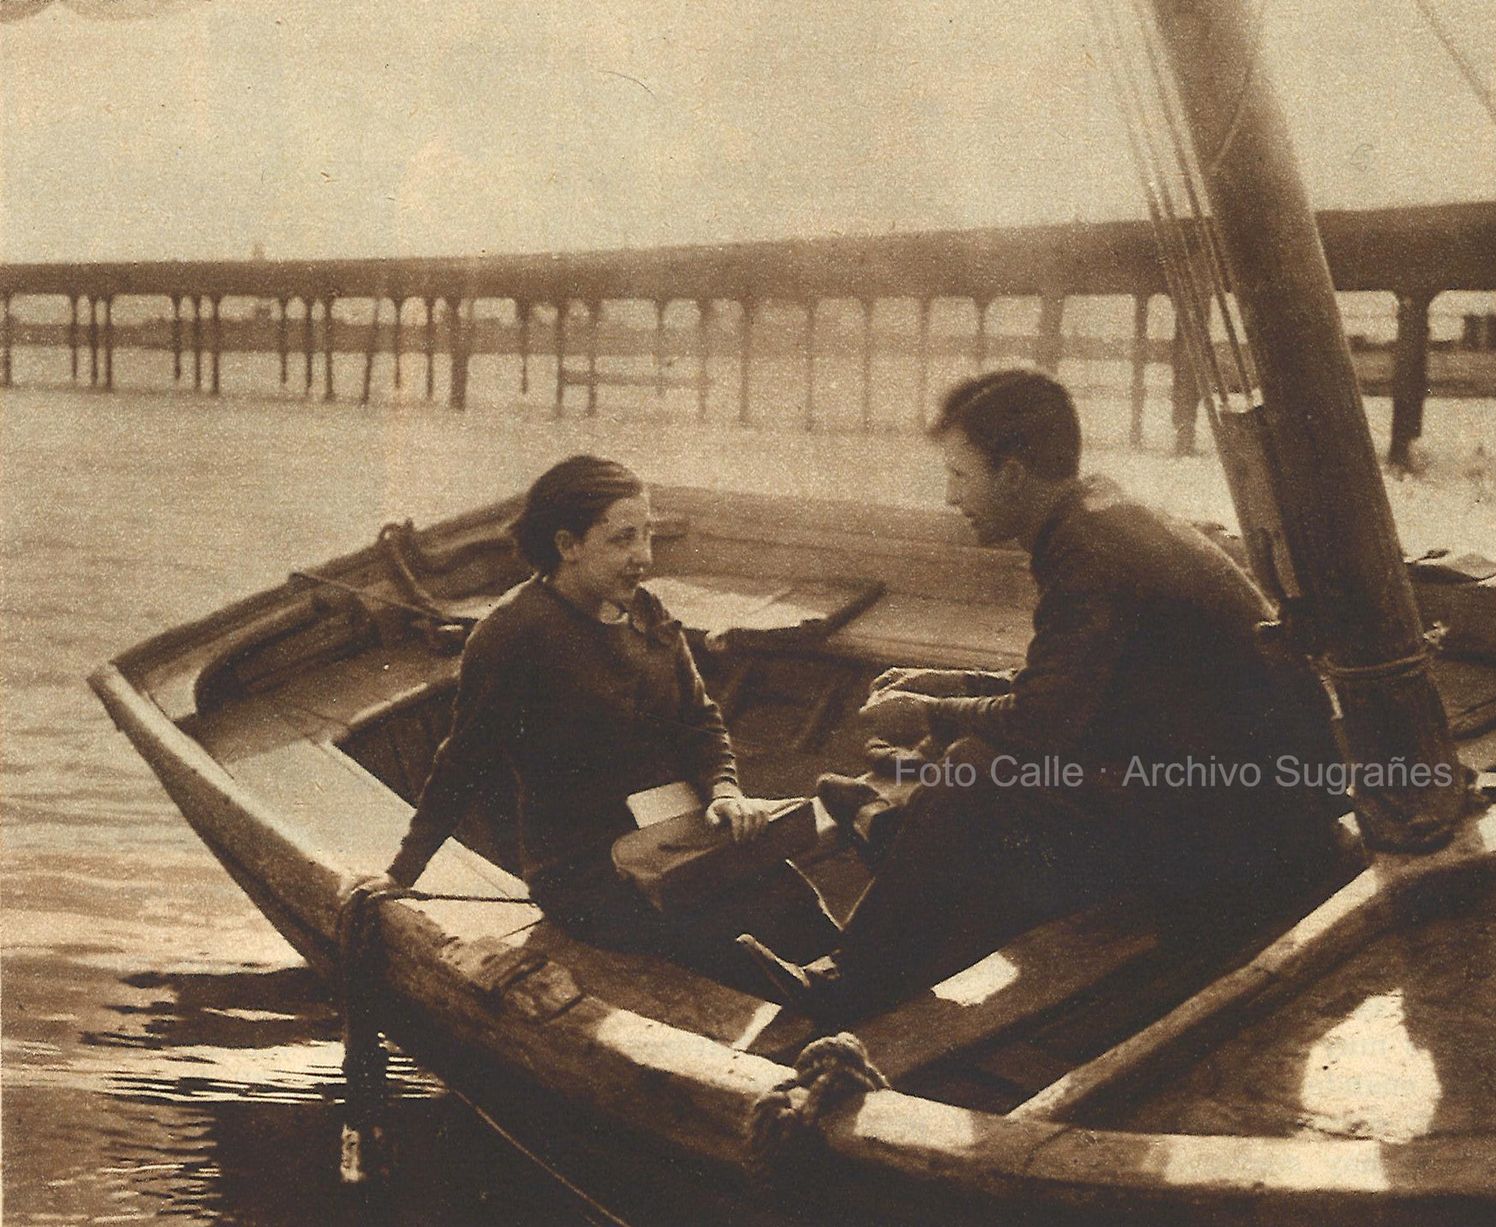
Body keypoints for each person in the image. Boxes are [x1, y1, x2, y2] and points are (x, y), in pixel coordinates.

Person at [739, 369, 1341, 1018]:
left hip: (1249, 832)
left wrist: (931, 712)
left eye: (960, 475)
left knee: (975, 766)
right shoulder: (1101, 514)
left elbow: (1044, 721)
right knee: (975, 761)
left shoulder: (1087, 552)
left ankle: (848, 981)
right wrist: (955, 684)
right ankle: (902, 832)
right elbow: (1085, 685)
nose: (950, 496)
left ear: (1013, 474)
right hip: (1259, 795)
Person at [370, 454, 836, 979]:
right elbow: (462, 763)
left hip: (676, 837)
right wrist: (402, 872)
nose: (644, 557)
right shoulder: (512, 634)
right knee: (731, 942)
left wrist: (725, 792)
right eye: (622, 540)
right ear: (567, 545)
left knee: (792, 901)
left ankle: (845, 990)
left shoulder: (646, 610)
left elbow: (699, 721)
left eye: (647, 535)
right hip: (585, 873)